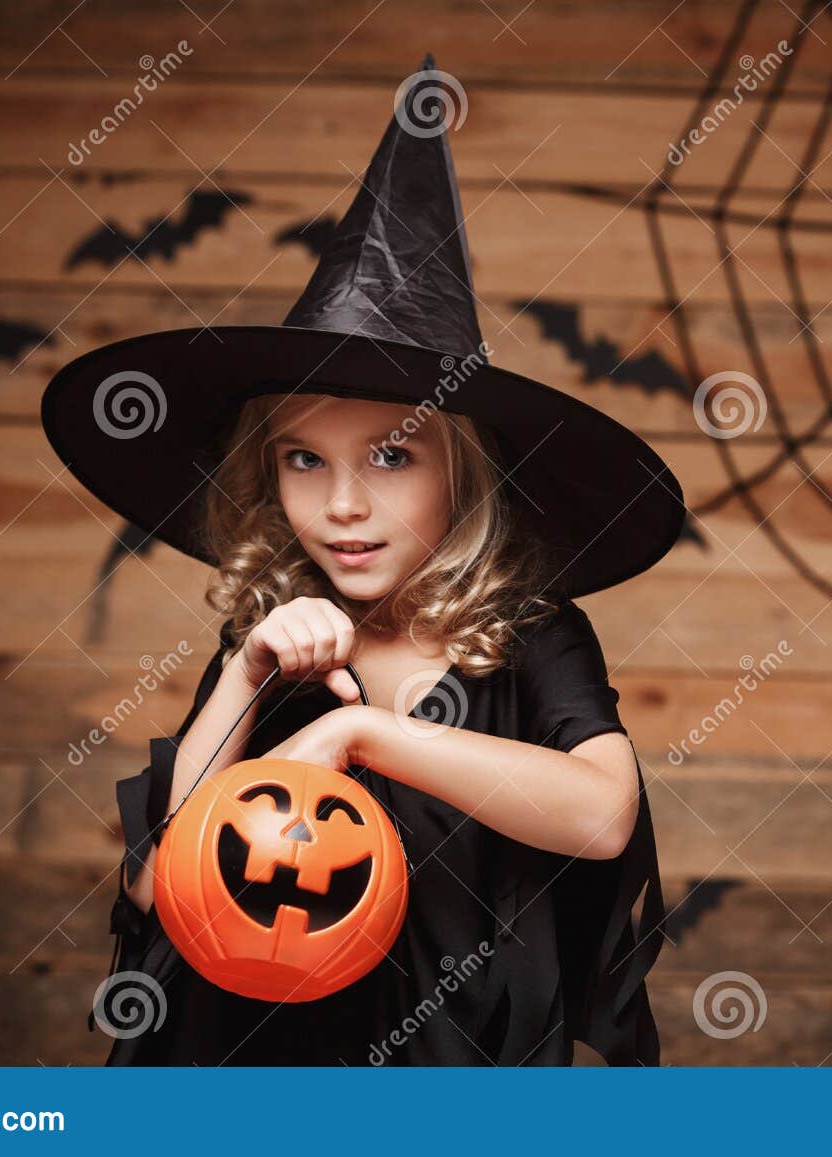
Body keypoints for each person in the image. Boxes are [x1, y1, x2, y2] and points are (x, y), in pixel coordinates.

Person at [39, 54, 686, 1066]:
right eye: (304, 458)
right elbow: (158, 883)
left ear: (460, 469)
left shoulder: (529, 632)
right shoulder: (269, 632)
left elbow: (602, 814)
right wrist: (247, 676)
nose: (341, 503)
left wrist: (360, 735)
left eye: (390, 455)